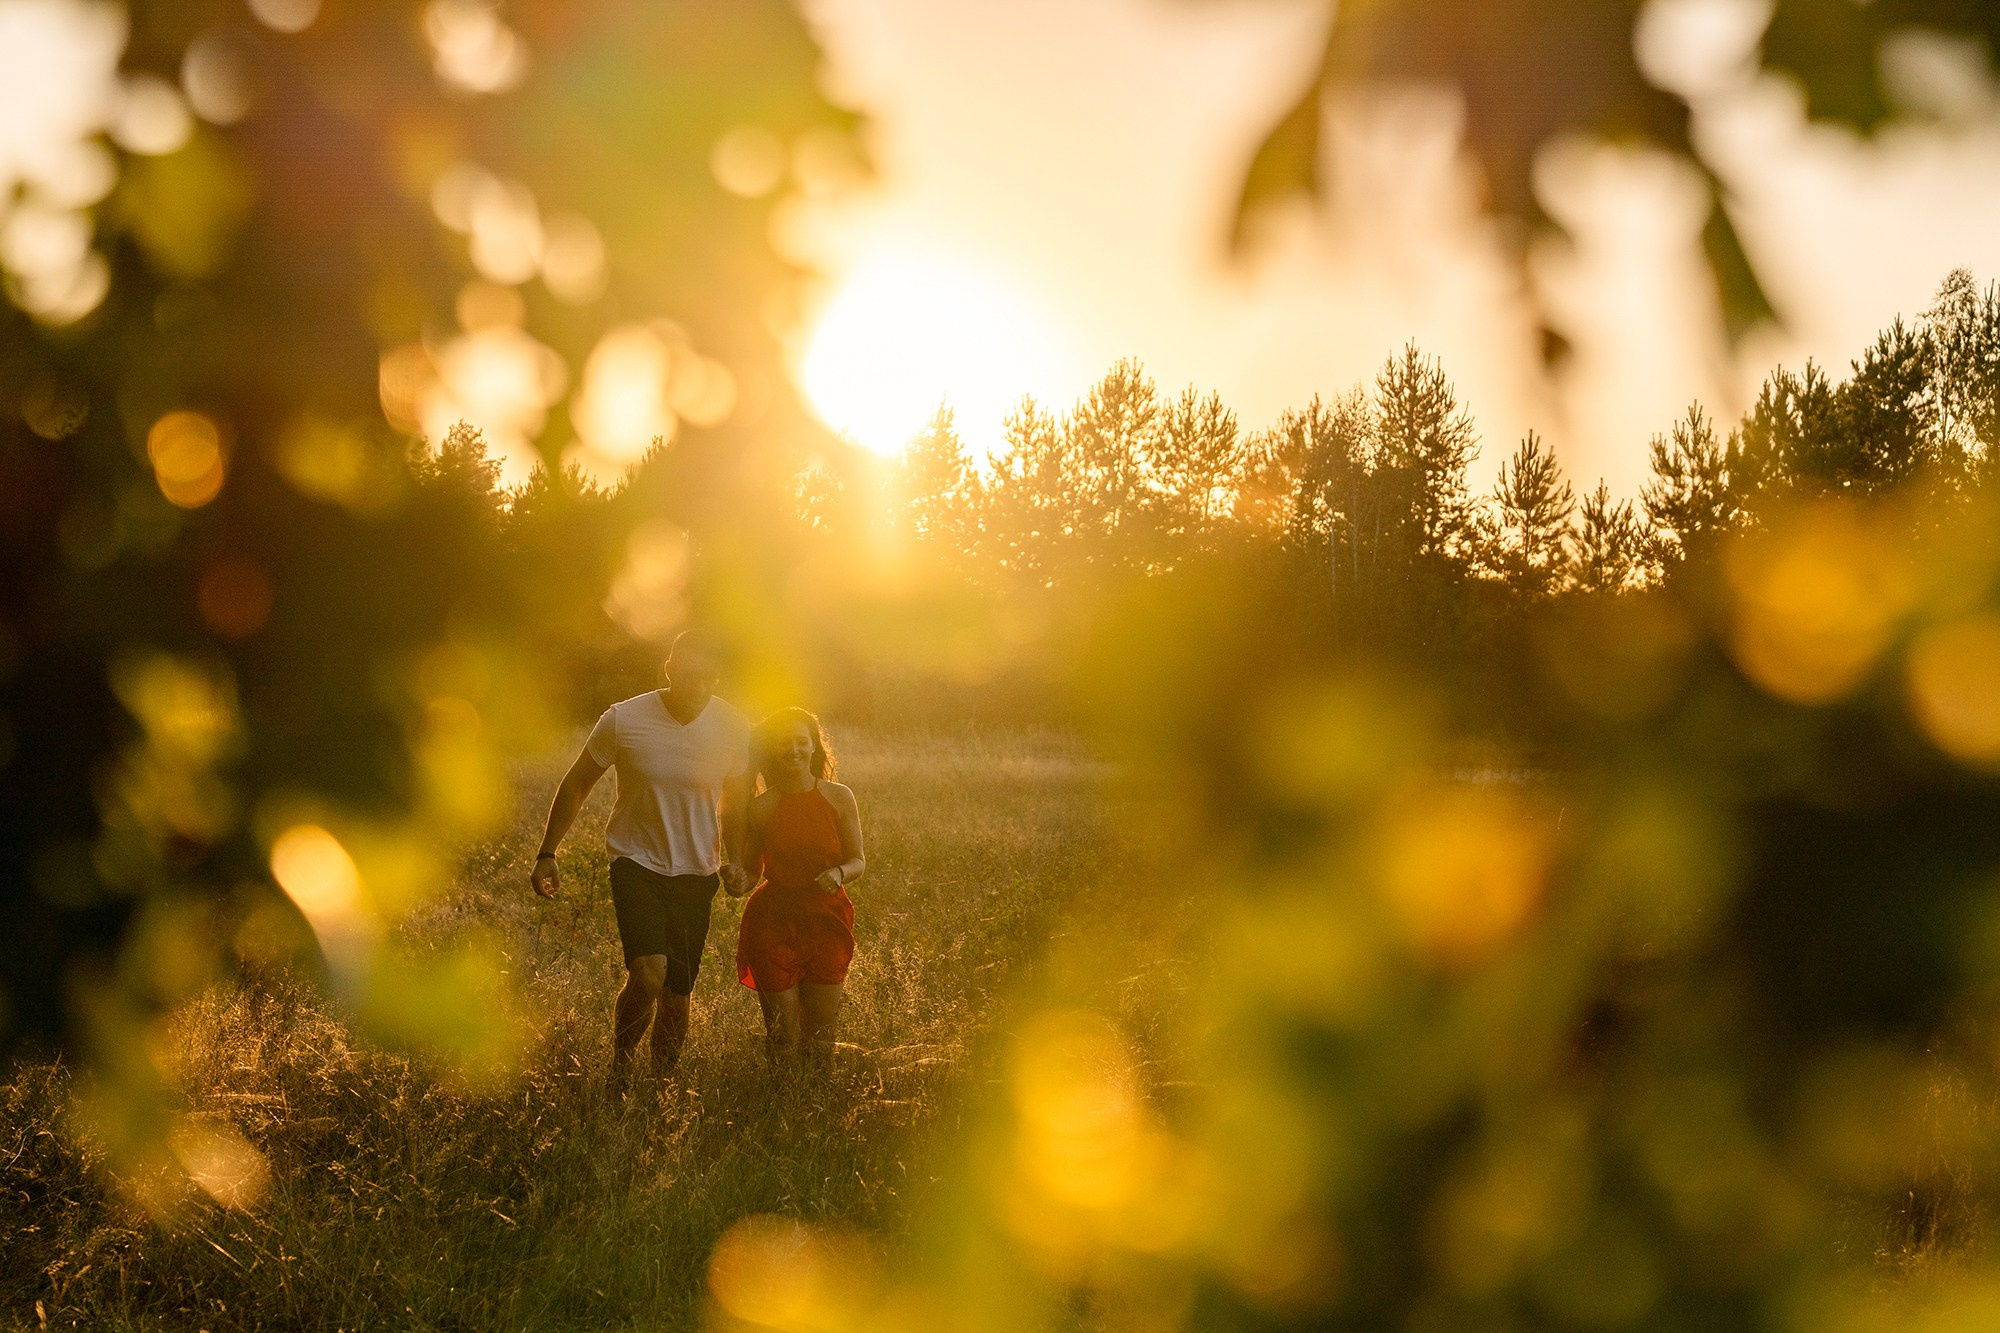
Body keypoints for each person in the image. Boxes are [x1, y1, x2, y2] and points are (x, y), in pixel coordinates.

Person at [529, 630, 752, 1079]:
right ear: (669, 669)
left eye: (709, 674)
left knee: (677, 992)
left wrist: (740, 860)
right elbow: (576, 784)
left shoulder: (734, 727)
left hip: (697, 869)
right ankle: (622, 1065)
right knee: (650, 974)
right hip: (636, 862)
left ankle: (662, 1085)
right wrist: (547, 852)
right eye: (690, 672)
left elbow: (738, 803)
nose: (700, 682)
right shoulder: (624, 719)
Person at [729, 708, 865, 1068]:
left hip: (827, 920)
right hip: (773, 922)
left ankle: (813, 1107)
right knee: (782, 1036)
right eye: (783, 743)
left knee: (820, 1037)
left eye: (800, 742)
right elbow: (750, 872)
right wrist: (736, 879)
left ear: (814, 747)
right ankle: (780, 1107)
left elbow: (858, 861)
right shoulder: (761, 807)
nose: (793, 750)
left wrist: (838, 873)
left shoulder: (839, 797)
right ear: (772, 750)